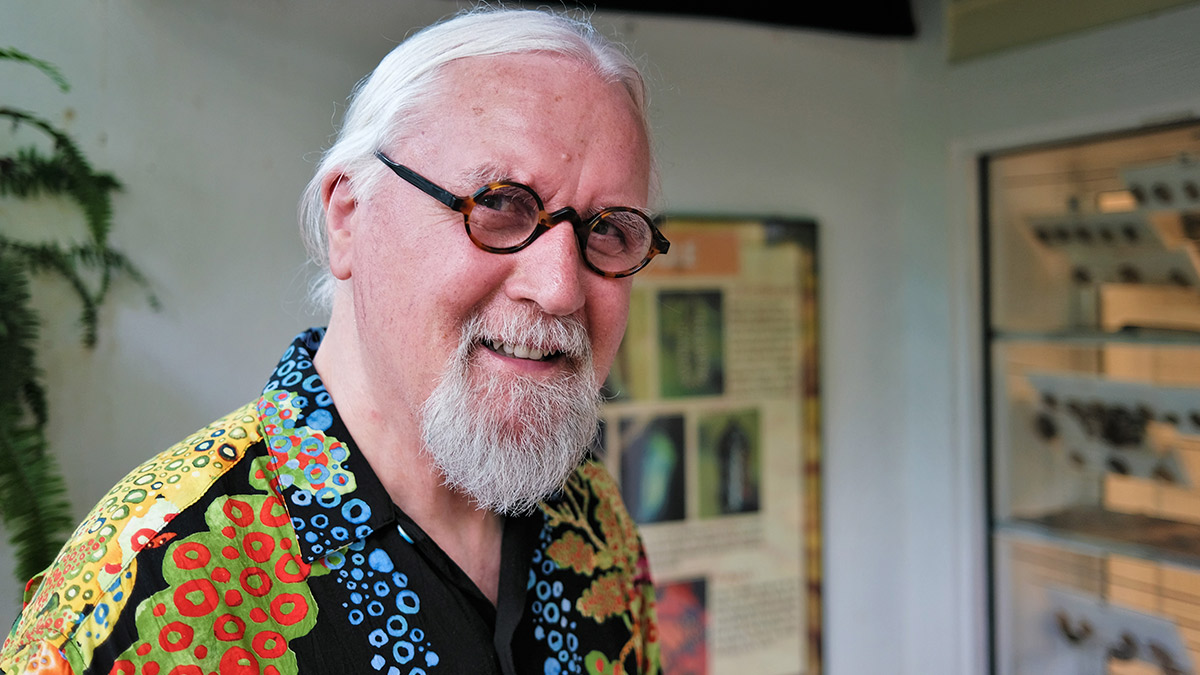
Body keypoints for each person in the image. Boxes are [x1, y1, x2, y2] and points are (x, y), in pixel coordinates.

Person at [0, 7, 669, 674]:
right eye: (500, 203)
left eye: (611, 230)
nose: (558, 288)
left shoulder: (593, 522)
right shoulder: (141, 594)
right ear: (348, 217)